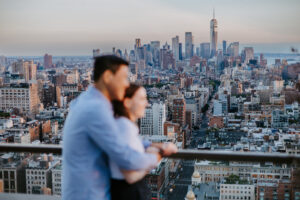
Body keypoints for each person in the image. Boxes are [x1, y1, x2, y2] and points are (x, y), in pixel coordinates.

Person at [62, 55, 162, 200]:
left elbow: (114, 139)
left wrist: (149, 144)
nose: (127, 84)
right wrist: (156, 157)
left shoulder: (88, 100)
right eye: (124, 78)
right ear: (108, 77)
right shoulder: (95, 109)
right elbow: (126, 158)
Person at [109, 84, 178, 200]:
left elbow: (134, 144)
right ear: (127, 102)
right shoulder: (124, 128)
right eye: (141, 99)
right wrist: (157, 156)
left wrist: (156, 145)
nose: (146, 103)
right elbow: (130, 175)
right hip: (128, 194)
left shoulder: (122, 125)